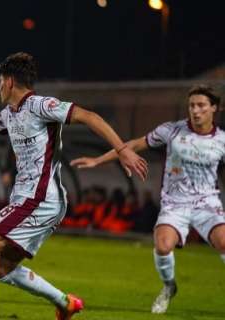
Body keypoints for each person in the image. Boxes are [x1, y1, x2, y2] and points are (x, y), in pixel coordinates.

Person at [0, 52, 148, 320]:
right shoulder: (10, 113)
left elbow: (89, 116)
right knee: (2, 268)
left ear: (9, 82)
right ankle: (65, 303)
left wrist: (122, 149)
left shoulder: (40, 105)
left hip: (39, 199)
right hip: (32, 200)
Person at [70, 84, 225, 314]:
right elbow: (132, 145)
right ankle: (169, 287)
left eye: (201, 105)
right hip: (175, 203)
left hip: (207, 203)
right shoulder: (171, 131)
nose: (195, 110)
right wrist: (97, 160)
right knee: (163, 246)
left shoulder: (221, 140)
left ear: (214, 108)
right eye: (192, 105)